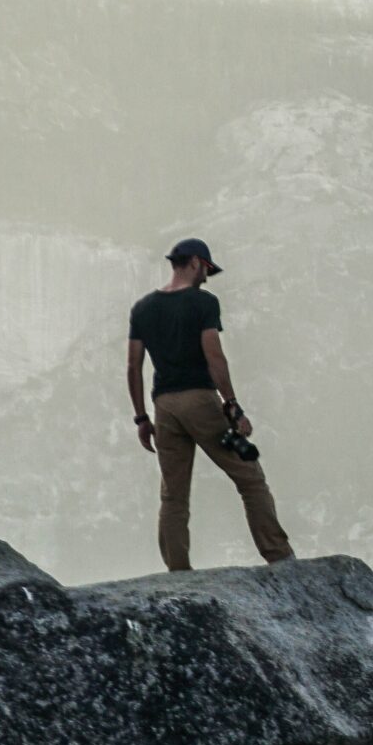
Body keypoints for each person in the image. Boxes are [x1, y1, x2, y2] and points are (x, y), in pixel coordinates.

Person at [126, 237, 295, 571]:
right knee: (249, 477)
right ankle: (279, 557)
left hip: (163, 406)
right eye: (206, 269)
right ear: (193, 263)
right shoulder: (203, 304)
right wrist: (231, 405)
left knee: (173, 495)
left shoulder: (143, 308)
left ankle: (178, 571)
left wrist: (142, 419)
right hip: (199, 401)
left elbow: (133, 366)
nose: (207, 276)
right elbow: (214, 356)